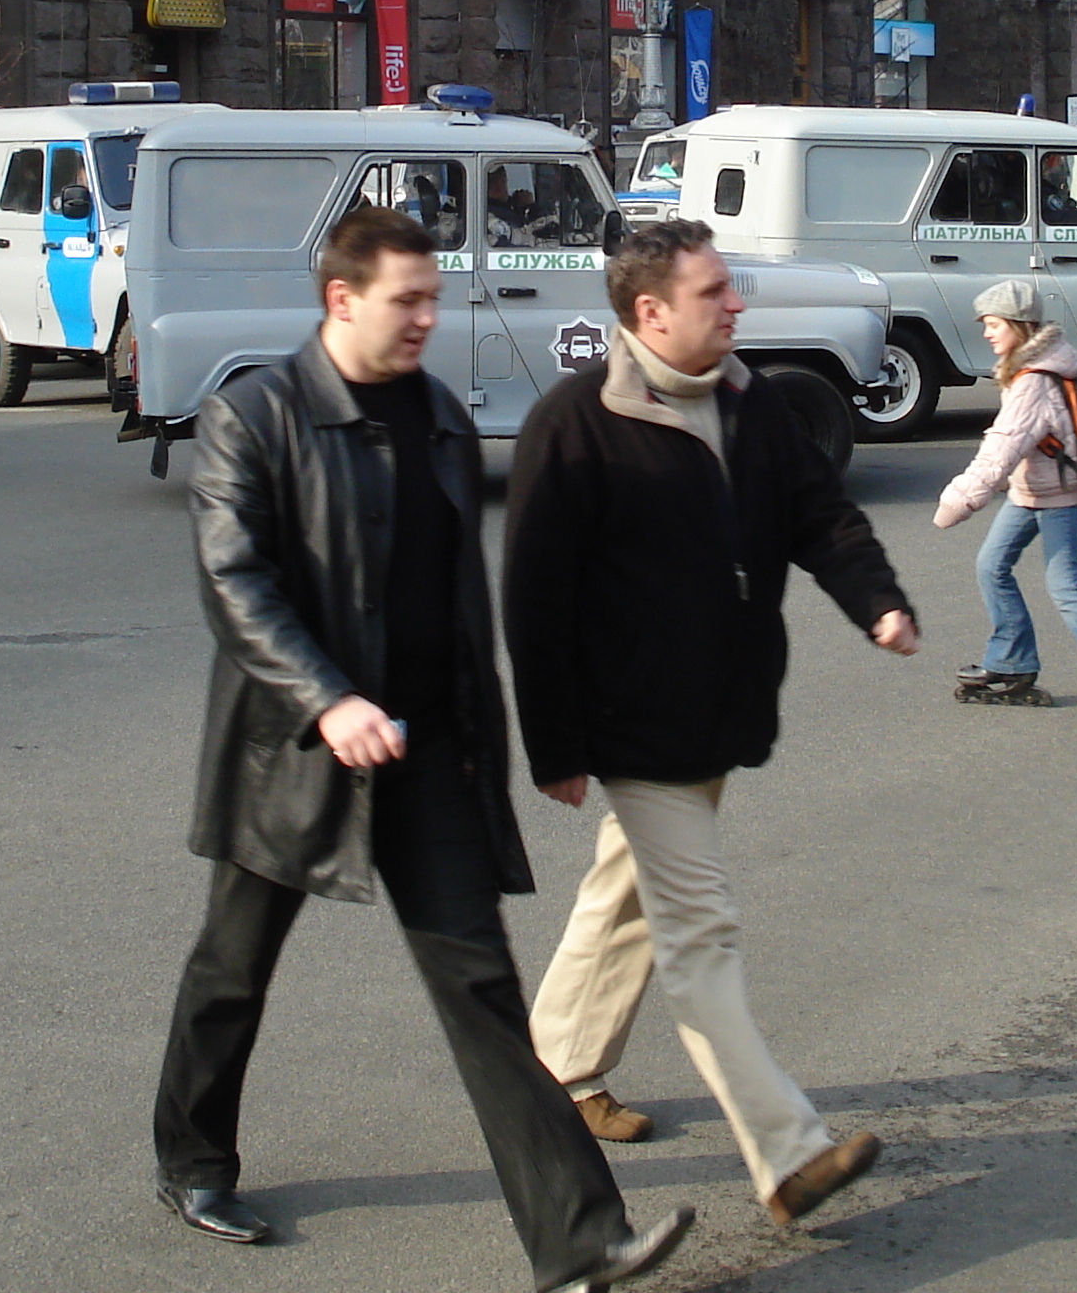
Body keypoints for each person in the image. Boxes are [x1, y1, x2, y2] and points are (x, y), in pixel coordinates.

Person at [150, 206, 691, 1293]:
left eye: (433, 298)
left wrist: (532, 741)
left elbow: (461, 606)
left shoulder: (439, 415)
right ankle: (192, 1158)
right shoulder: (256, 414)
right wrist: (328, 698)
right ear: (341, 299)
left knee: (483, 991)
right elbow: (234, 581)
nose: (428, 320)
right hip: (294, 753)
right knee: (232, 968)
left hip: (426, 750)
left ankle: (581, 1243)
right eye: (409, 300)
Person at [506, 220, 919, 1230]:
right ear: (649, 313)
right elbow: (534, 596)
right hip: (633, 721)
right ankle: (788, 1153)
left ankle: (553, 1073)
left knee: (626, 895)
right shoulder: (574, 422)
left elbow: (820, 516)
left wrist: (877, 600)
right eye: (714, 293)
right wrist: (555, 743)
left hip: (718, 710)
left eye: (732, 289)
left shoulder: (754, 404)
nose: (737, 306)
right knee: (701, 930)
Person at [930, 278, 1077, 734]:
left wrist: (959, 499)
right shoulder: (1030, 367)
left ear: (1019, 324)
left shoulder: (1034, 380)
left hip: (1058, 497)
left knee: (1064, 586)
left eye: (993, 324)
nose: (987, 333)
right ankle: (1011, 660)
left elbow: (1002, 448)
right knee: (991, 566)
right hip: (1028, 493)